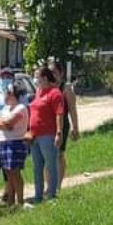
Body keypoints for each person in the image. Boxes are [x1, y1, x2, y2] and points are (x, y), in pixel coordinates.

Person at [28, 68, 65, 203]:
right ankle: (38, 195)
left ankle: (51, 194)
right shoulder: (38, 93)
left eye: (37, 76)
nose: (35, 79)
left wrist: (59, 133)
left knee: (50, 165)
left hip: (48, 135)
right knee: (37, 167)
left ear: (45, 78)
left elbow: (59, 114)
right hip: (34, 136)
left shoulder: (55, 93)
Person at [0, 84, 30, 206]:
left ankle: (20, 201)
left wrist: (3, 124)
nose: (5, 95)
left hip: (16, 142)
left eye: (7, 92)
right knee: (8, 174)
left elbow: (10, 124)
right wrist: (3, 124)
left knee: (15, 172)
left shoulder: (21, 108)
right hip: (3, 142)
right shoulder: (5, 108)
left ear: (12, 94)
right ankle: (10, 201)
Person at [49, 61, 80, 189]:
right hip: (48, 124)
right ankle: (49, 185)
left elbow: (72, 109)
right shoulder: (46, 87)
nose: (52, 75)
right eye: (50, 73)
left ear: (61, 73)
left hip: (62, 124)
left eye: (54, 72)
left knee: (59, 154)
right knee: (48, 155)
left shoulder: (66, 88)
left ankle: (58, 185)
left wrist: (75, 128)